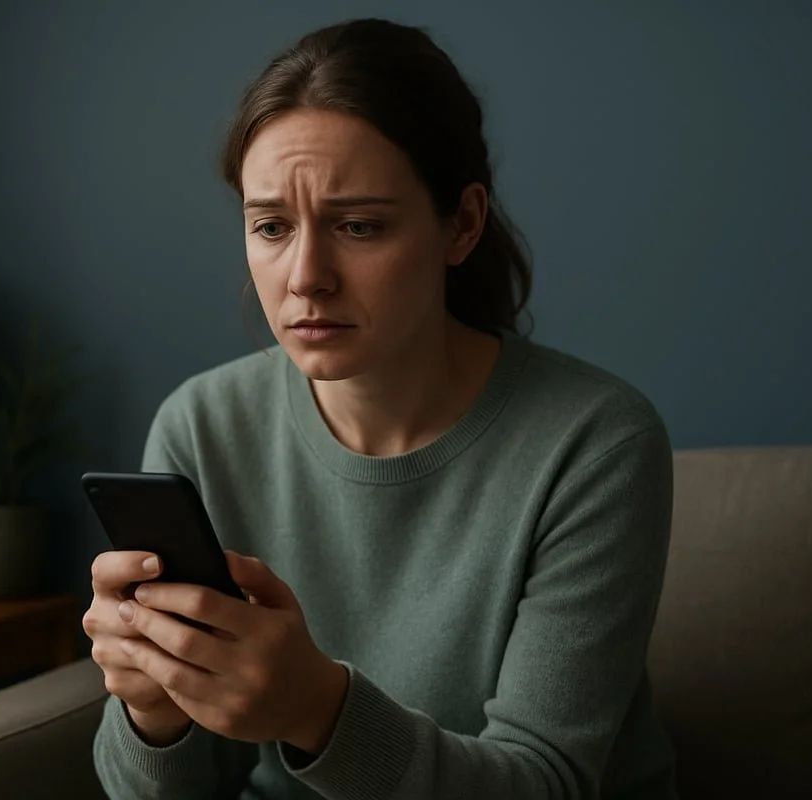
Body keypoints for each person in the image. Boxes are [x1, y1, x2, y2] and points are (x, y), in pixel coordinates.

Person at [83, 16, 677, 800]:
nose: (305, 278)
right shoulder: (200, 426)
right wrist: (155, 709)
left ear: (461, 223)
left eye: (358, 226)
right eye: (270, 227)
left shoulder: (594, 443)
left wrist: (317, 709)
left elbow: (544, 784)